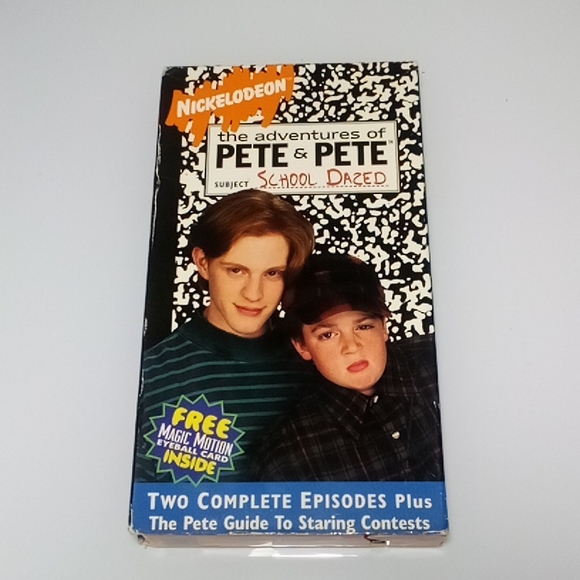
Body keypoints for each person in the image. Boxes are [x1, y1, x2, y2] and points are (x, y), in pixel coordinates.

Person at [133, 189, 315, 483]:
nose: (253, 294)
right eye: (236, 270)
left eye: (272, 273)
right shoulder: (150, 373)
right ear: (203, 262)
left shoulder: (316, 362)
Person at [255, 253, 444, 482]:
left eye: (363, 327)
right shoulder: (288, 456)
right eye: (328, 335)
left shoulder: (444, 363)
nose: (352, 347)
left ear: (384, 326)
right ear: (302, 346)